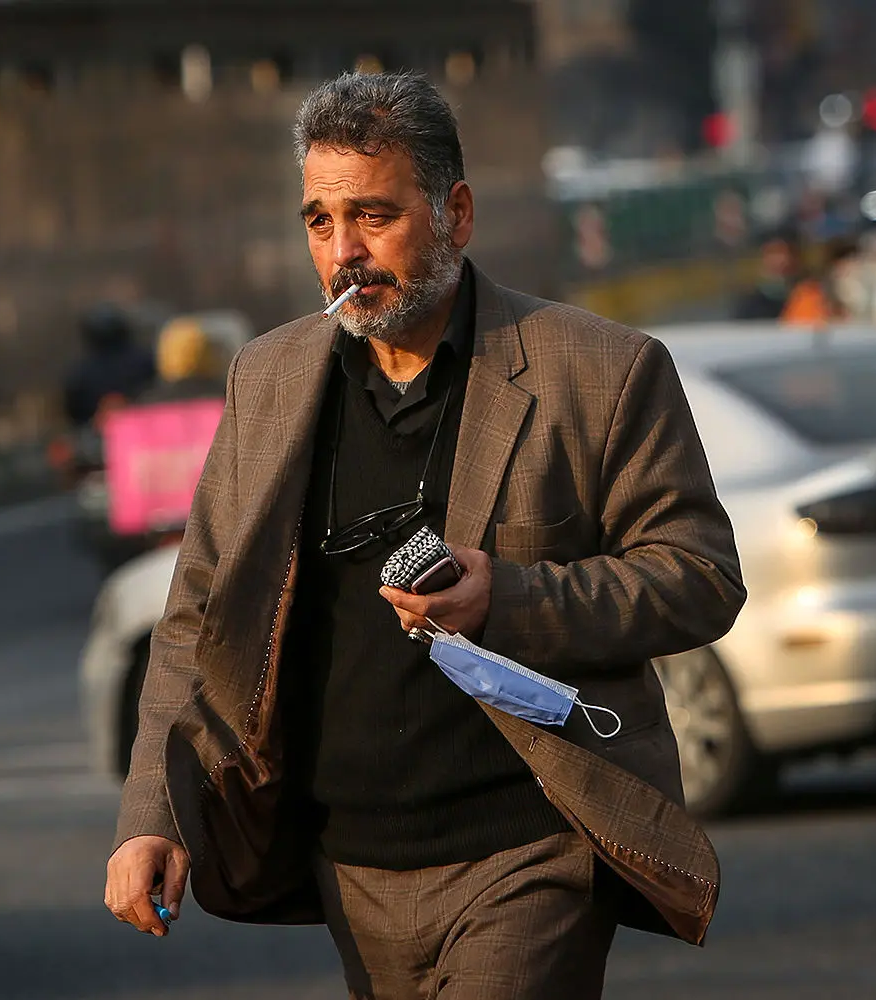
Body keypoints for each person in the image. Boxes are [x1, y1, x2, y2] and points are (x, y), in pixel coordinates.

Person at [105, 72, 746, 999]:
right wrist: (152, 816)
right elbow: (196, 616)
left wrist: (508, 598)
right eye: (320, 222)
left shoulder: (600, 369)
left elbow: (700, 576)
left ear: (457, 213)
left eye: (374, 215)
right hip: (349, 868)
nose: (344, 252)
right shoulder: (269, 379)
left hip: (531, 849)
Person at [60, 304, 156, 428]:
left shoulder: (81, 372)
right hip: (144, 429)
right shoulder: (145, 360)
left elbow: (74, 413)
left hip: (102, 432)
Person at [734, 232, 802, 320]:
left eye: (786, 252)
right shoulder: (748, 305)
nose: (782, 260)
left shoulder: (807, 297)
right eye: (773, 253)